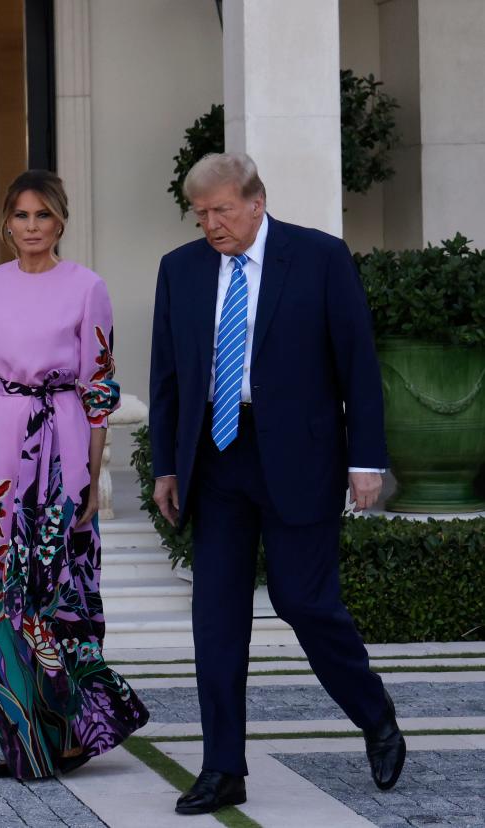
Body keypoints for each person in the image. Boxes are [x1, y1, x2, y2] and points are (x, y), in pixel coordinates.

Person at [148, 152, 405, 815]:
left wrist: (366, 460)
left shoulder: (318, 257)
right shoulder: (180, 270)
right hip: (217, 458)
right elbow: (170, 377)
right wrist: (167, 467)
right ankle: (221, 768)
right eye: (201, 214)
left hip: (300, 456)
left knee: (304, 601)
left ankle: (373, 711)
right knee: (217, 619)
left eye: (222, 210)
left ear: (257, 201)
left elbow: (357, 364)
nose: (211, 225)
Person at [0, 170, 149, 780]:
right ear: (6, 222)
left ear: (61, 221)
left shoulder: (87, 288)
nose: (32, 227)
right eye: (22, 216)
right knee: (2, 598)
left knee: (62, 594)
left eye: (44, 216)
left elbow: (100, 387)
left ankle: (75, 733)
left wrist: (91, 473)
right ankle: (25, 741)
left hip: (63, 443)